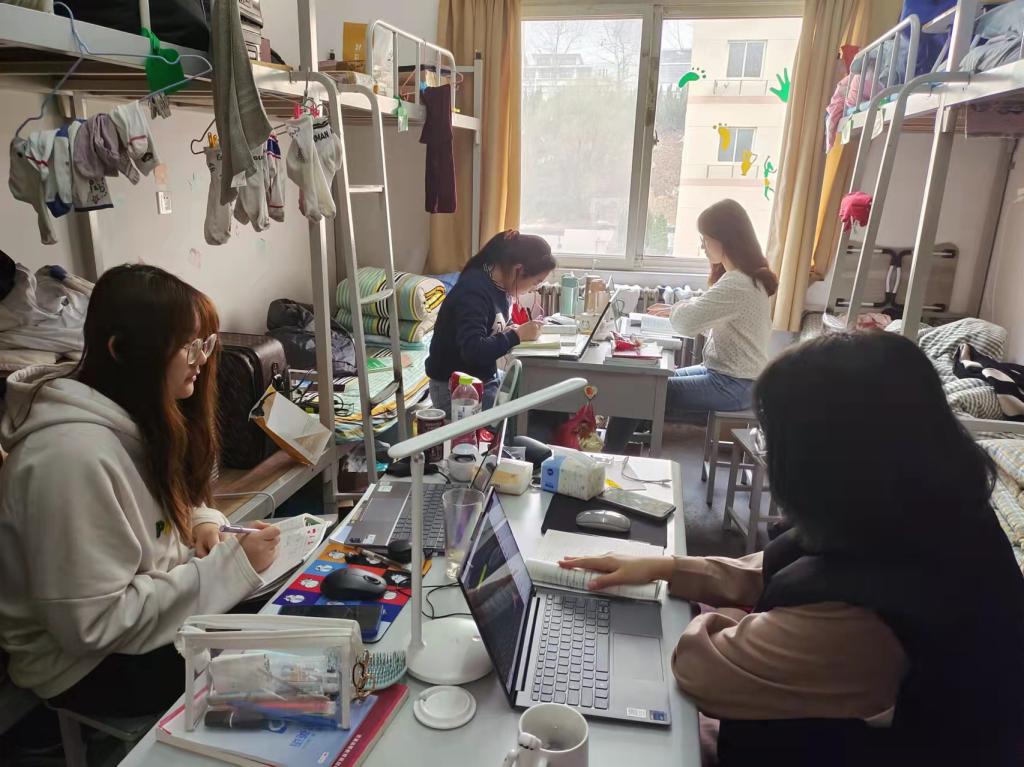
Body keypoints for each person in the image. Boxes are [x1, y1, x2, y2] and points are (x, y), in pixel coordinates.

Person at [566, 332, 1024, 766]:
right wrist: (664, 567)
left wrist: (720, 618)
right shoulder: (916, 510)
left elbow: (701, 671)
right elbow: (774, 568)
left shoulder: (875, 619)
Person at [0, 265, 281, 718]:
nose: (202, 360)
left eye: (206, 343)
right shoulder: (68, 459)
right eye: (189, 347)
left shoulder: (134, 413)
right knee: (278, 647)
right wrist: (229, 568)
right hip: (88, 666)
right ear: (122, 350)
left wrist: (202, 522)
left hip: (149, 612)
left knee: (292, 605)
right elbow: (93, 626)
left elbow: (175, 500)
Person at [604, 199, 776, 453]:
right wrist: (676, 310)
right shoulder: (744, 279)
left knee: (640, 392)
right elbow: (706, 317)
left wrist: (676, 310)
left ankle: (609, 457)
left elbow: (687, 323)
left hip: (733, 385)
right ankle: (623, 447)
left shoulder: (738, 283)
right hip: (730, 378)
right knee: (647, 383)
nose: (703, 246)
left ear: (725, 239)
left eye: (705, 239)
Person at [426, 230, 556, 417]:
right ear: (518, 270)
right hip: (457, 389)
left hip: (482, 378)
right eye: (535, 282)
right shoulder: (473, 292)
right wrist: (516, 335)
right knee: (521, 416)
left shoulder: (502, 286)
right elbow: (473, 351)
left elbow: (491, 327)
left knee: (531, 391)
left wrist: (512, 330)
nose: (532, 289)